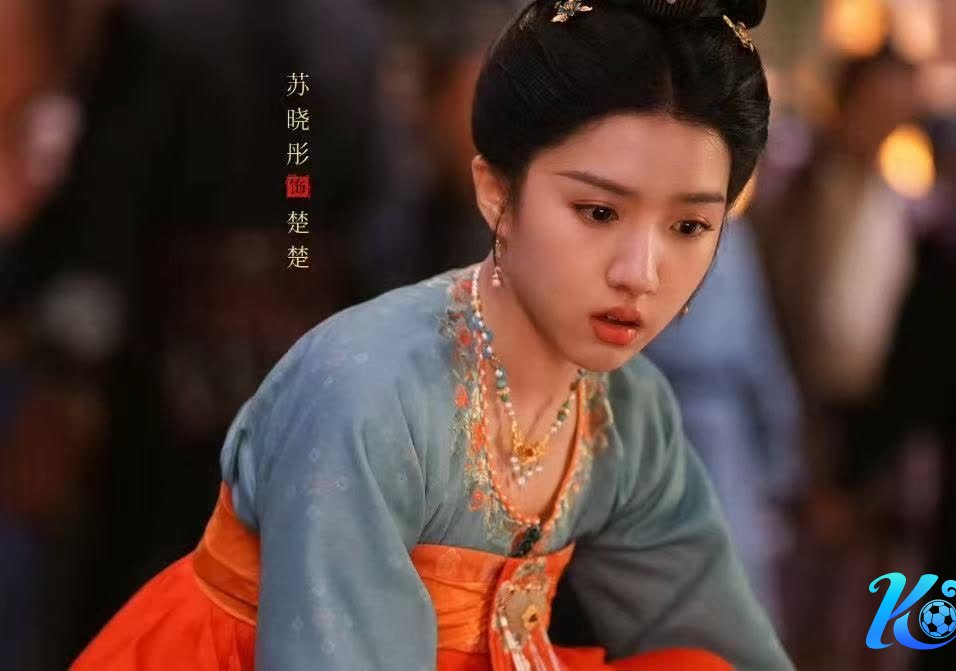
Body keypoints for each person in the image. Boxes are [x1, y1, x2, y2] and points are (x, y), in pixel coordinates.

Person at [71, 0, 794, 669]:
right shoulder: (367, 394)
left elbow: (714, 635)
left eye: (689, 226)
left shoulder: (628, 411)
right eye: (598, 212)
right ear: (497, 191)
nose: (640, 272)